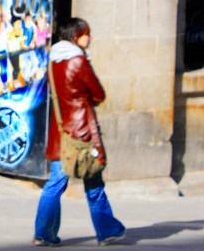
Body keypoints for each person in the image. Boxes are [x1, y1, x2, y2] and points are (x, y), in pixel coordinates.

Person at [34, 17, 126, 247]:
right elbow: (98, 93)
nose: (90, 37)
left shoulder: (52, 61)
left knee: (55, 183)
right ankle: (107, 230)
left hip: (61, 131)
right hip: (82, 132)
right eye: (87, 33)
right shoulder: (78, 60)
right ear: (76, 36)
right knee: (93, 182)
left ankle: (44, 233)